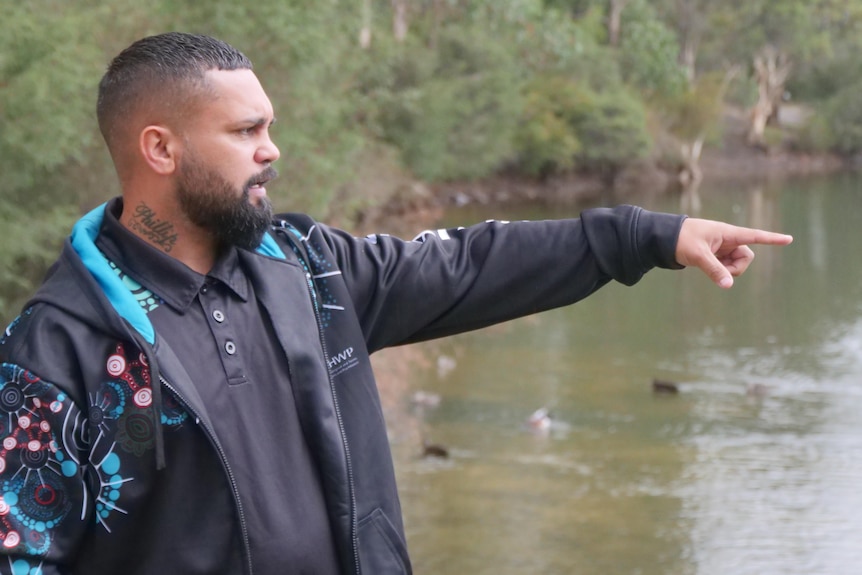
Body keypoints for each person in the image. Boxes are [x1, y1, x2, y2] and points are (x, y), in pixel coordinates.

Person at [0, 32, 792, 575]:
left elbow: (470, 265)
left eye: (270, 126)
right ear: (161, 148)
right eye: (246, 131)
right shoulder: (56, 348)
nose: (273, 149)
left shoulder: (307, 271)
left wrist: (647, 236)